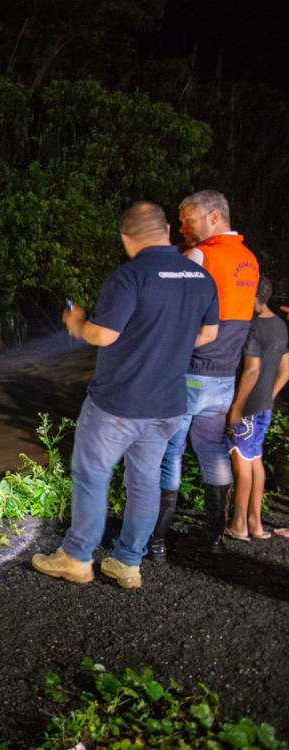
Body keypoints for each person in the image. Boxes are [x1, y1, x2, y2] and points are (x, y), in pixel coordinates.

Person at [33, 202, 218, 589]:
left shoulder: (129, 277)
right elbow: (208, 335)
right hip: (167, 404)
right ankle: (127, 564)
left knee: (91, 476)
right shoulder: (201, 277)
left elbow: (104, 335)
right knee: (146, 482)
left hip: (117, 404)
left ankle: (76, 558)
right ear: (167, 228)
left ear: (126, 238)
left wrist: (77, 323)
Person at [150, 190, 259, 558]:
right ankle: (214, 537)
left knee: (171, 451)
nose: (182, 228)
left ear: (214, 217)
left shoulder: (201, 256)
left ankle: (158, 539)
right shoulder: (249, 260)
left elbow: (171, 312)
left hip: (190, 374)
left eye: (189, 220)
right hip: (224, 379)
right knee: (212, 451)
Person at [224, 277, 288, 540]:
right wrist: (268, 396)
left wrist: (237, 408)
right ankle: (256, 524)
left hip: (248, 404)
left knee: (242, 461)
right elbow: (286, 370)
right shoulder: (280, 327)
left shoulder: (253, 327)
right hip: (264, 405)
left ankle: (239, 524)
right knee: (255, 460)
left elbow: (251, 370)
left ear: (254, 297)